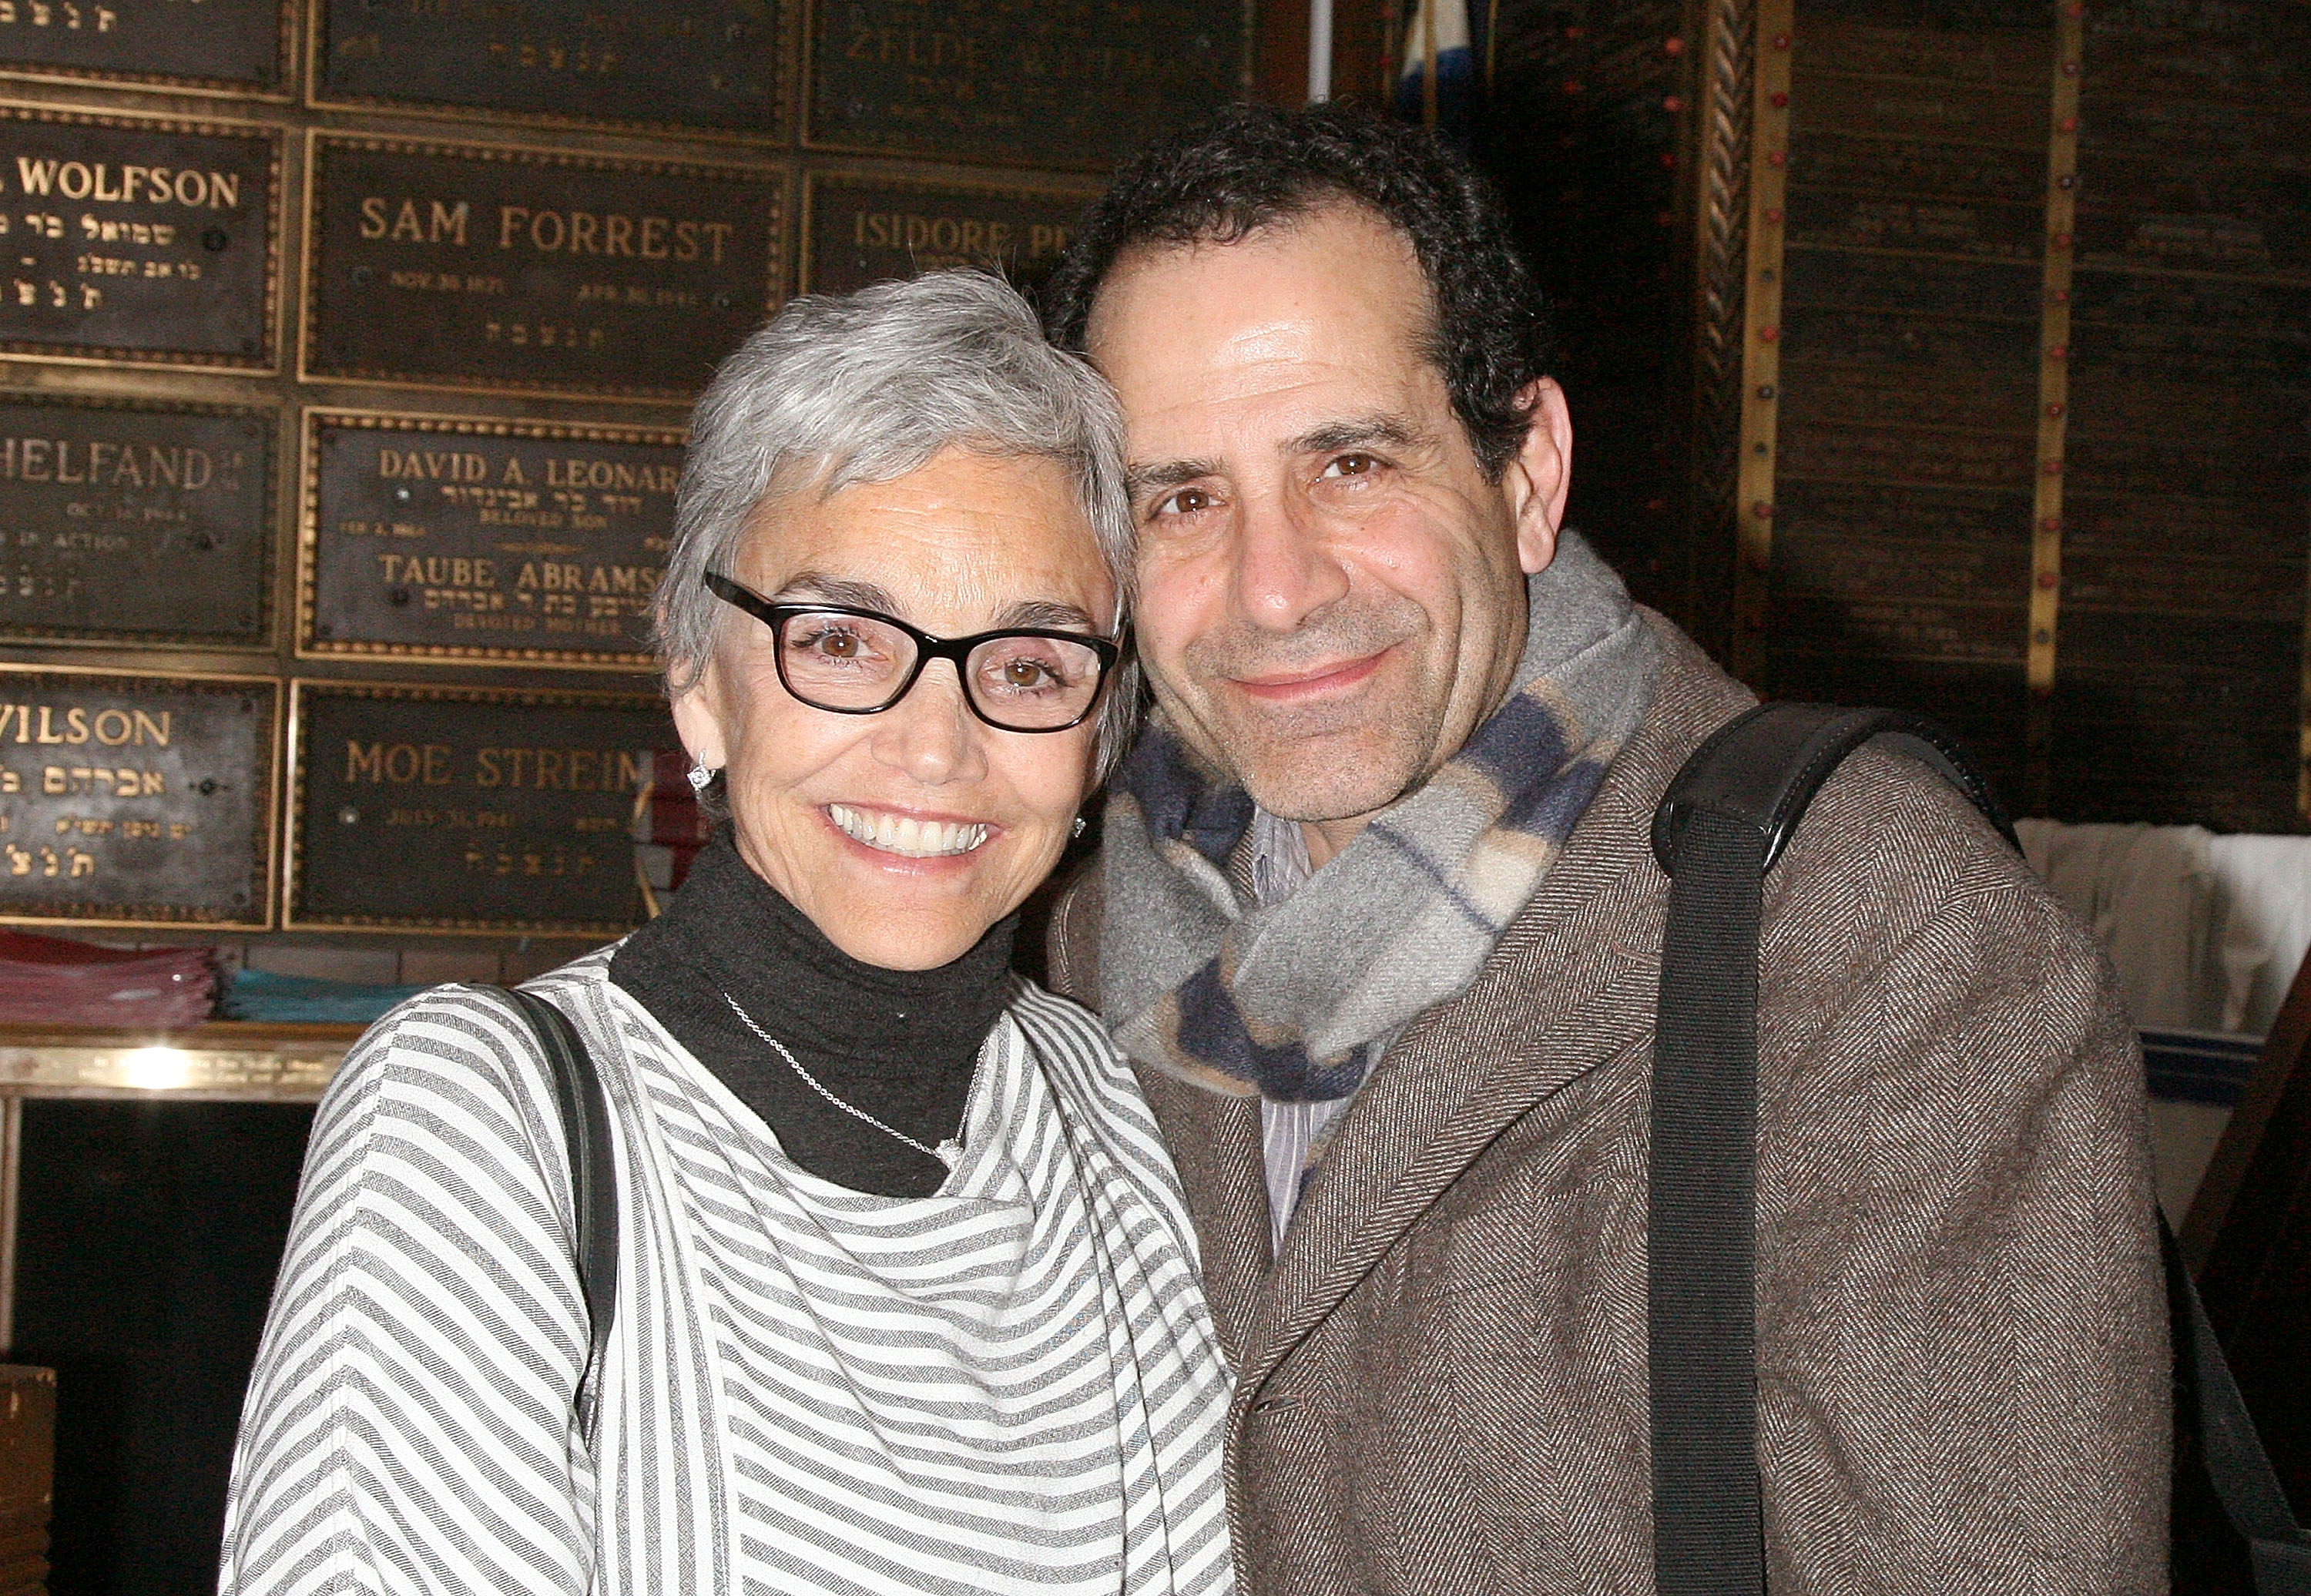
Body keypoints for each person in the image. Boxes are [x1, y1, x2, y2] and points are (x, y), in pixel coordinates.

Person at [1039, 103, 2167, 1593]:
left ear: (1527, 476)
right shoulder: (1085, 940)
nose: (1273, 587)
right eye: (1182, 498)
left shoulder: (1879, 938)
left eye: (1352, 465)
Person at [218, 270, 1234, 1596]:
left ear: (1100, 732)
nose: (938, 748)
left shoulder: (1115, 1108)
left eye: (1030, 665)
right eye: (843, 640)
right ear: (699, 680)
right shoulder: (481, 1121)